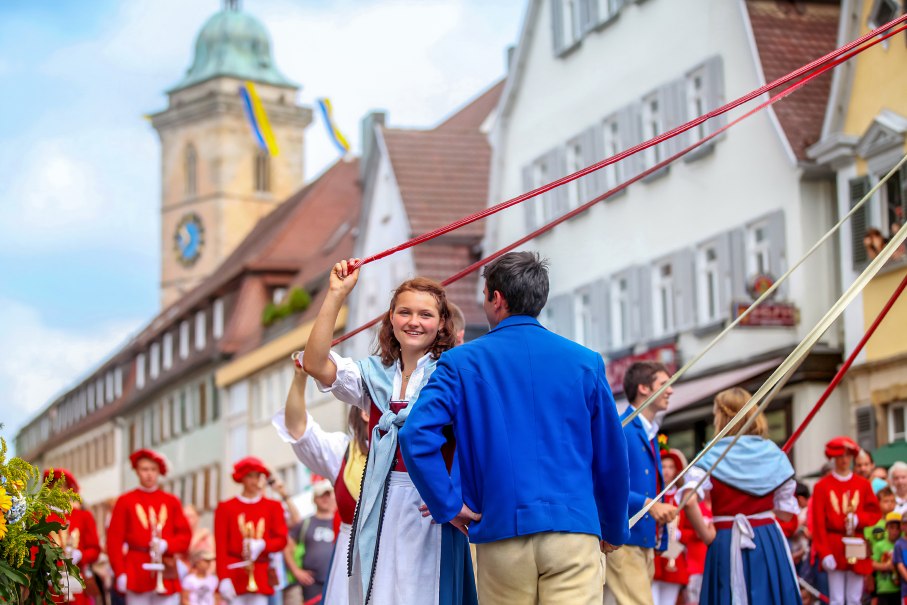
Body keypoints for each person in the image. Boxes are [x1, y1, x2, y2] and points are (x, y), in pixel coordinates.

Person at [400, 251, 631, 605]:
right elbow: (612, 456)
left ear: (497, 299)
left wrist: (447, 504)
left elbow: (415, 434)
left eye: (484, 296)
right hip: (572, 529)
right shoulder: (586, 362)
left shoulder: (460, 362)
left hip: (501, 531)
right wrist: (614, 526)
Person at [302, 259, 476, 605]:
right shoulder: (374, 374)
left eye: (426, 314)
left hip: (429, 503)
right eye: (405, 312)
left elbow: (476, 440)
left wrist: (458, 493)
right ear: (391, 319)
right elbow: (315, 363)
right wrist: (337, 294)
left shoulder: (453, 374)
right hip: (379, 503)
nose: (414, 322)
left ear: (442, 323)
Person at [678, 387, 798, 605]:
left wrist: (707, 536)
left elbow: (688, 500)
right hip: (767, 538)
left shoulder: (712, 455)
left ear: (722, 417)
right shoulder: (772, 453)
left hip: (725, 538)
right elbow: (787, 513)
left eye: (715, 414)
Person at [606, 361, 678, 605]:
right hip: (624, 540)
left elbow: (656, 486)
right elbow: (606, 485)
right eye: (663, 384)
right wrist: (649, 504)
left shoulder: (649, 431)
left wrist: (662, 538)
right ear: (644, 389)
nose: (670, 390)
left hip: (643, 540)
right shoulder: (622, 428)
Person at [107, 449, 192, 605]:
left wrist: (167, 544)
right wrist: (120, 573)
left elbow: (185, 537)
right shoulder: (125, 501)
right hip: (136, 569)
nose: (149, 474)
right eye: (144, 469)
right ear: (137, 471)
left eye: (153, 469)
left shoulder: (171, 501)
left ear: (159, 471)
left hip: (165, 567)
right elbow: (114, 541)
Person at [812, 436, 881, 605]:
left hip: (856, 542)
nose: (844, 460)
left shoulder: (863, 484)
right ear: (834, 458)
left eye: (847, 455)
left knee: (854, 598)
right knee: (836, 599)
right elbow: (818, 523)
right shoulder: (822, 486)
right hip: (833, 543)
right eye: (840, 456)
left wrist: (859, 519)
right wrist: (824, 551)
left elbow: (875, 512)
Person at [214, 457, 288, 605]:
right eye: (250, 476)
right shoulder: (226, 507)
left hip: (261, 573)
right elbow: (220, 546)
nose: (255, 481)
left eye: (258, 476)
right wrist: (223, 577)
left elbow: (281, 540)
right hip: (235, 573)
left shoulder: (273, 506)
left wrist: (263, 545)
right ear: (242, 478)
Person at [44, 468, 102, 605]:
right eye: (53, 487)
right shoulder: (38, 517)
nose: (58, 492)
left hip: (77, 582)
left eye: (62, 487)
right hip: (47, 586)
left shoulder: (83, 516)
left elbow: (95, 549)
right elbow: (33, 550)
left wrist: (81, 555)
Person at [283, 477, 336, 605]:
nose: (325, 499)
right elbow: (286, 548)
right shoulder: (305, 523)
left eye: (328, 495)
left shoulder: (340, 522)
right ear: (314, 499)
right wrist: (296, 571)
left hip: (336, 580)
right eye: (321, 496)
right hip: (312, 584)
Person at [652, 443, 689, 605]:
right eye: (663, 466)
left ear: (677, 470)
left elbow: (692, 531)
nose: (667, 470)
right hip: (653, 554)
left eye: (671, 467)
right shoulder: (651, 496)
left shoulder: (683, 496)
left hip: (674, 554)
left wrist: (679, 534)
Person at [871, 512, 901, 605]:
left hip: (899, 588)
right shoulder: (879, 545)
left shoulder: (902, 544)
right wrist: (885, 566)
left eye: (897, 528)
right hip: (883, 588)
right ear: (886, 528)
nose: (895, 531)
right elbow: (872, 563)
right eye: (891, 527)